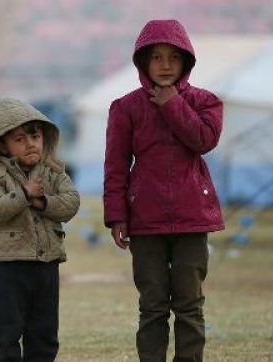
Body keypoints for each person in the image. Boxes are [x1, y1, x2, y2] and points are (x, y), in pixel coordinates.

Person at [103, 19, 225, 362]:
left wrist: (173, 104)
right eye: (156, 57)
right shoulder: (126, 108)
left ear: (187, 60)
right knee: (153, 307)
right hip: (145, 222)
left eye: (173, 57)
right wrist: (116, 216)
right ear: (143, 62)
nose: (166, 65)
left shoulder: (206, 103)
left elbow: (204, 140)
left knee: (189, 306)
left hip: (192, 220)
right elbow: (115, 167)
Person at [0, 97, 80, 362]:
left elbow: (71, 203)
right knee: (8, 331)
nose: (30, 144)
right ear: (2, 144)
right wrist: (23, 194)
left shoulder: (55, 173)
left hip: (47, 264)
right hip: (9, 267)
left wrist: (44, 201)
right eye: (20, 139)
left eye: (35, 136)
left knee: (44, 331)